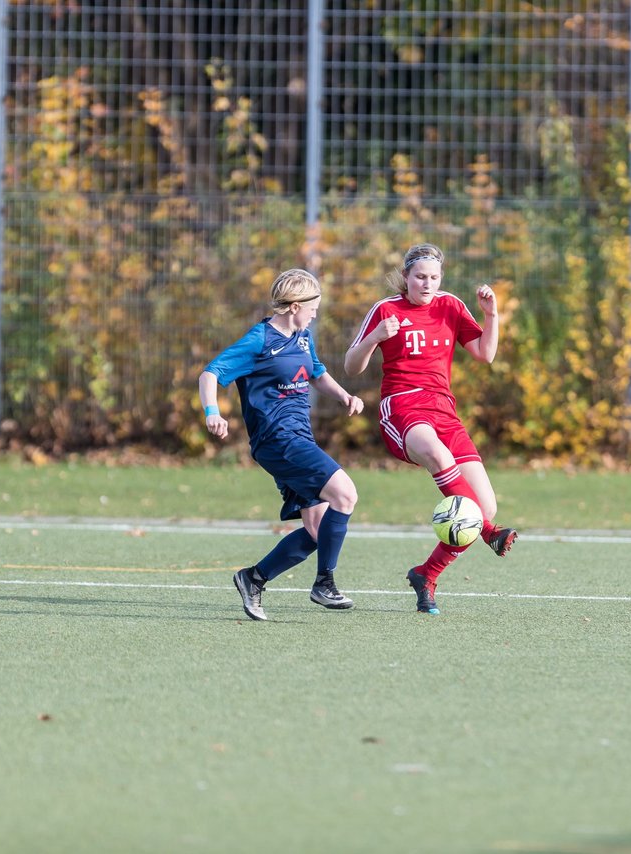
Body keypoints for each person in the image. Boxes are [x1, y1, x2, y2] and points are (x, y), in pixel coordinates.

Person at [344, 243, 518, 615]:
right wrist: (375, 337)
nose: (426, 284)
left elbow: (485, 355)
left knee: (484, 505)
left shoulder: (450, 305)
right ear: (405, 277)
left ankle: (427, 574)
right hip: (403, 407)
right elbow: (351, 365)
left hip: (444, 411)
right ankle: (489, 532)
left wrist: (492, 315)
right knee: (442, 461)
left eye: (433, 278)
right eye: (419, 277)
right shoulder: (386, 309)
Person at [199, 268, 364, 621]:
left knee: (319, 531)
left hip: (299, 438)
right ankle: (324, 583)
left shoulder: (303, 338)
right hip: (277, 440)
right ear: (293, 306)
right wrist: (212, 412)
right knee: (345, 494)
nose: (315, 314)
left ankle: (253, 578)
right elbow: (210, 373)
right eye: (312, 307)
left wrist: (343, 396)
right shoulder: (259, 339)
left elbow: (316, 372)